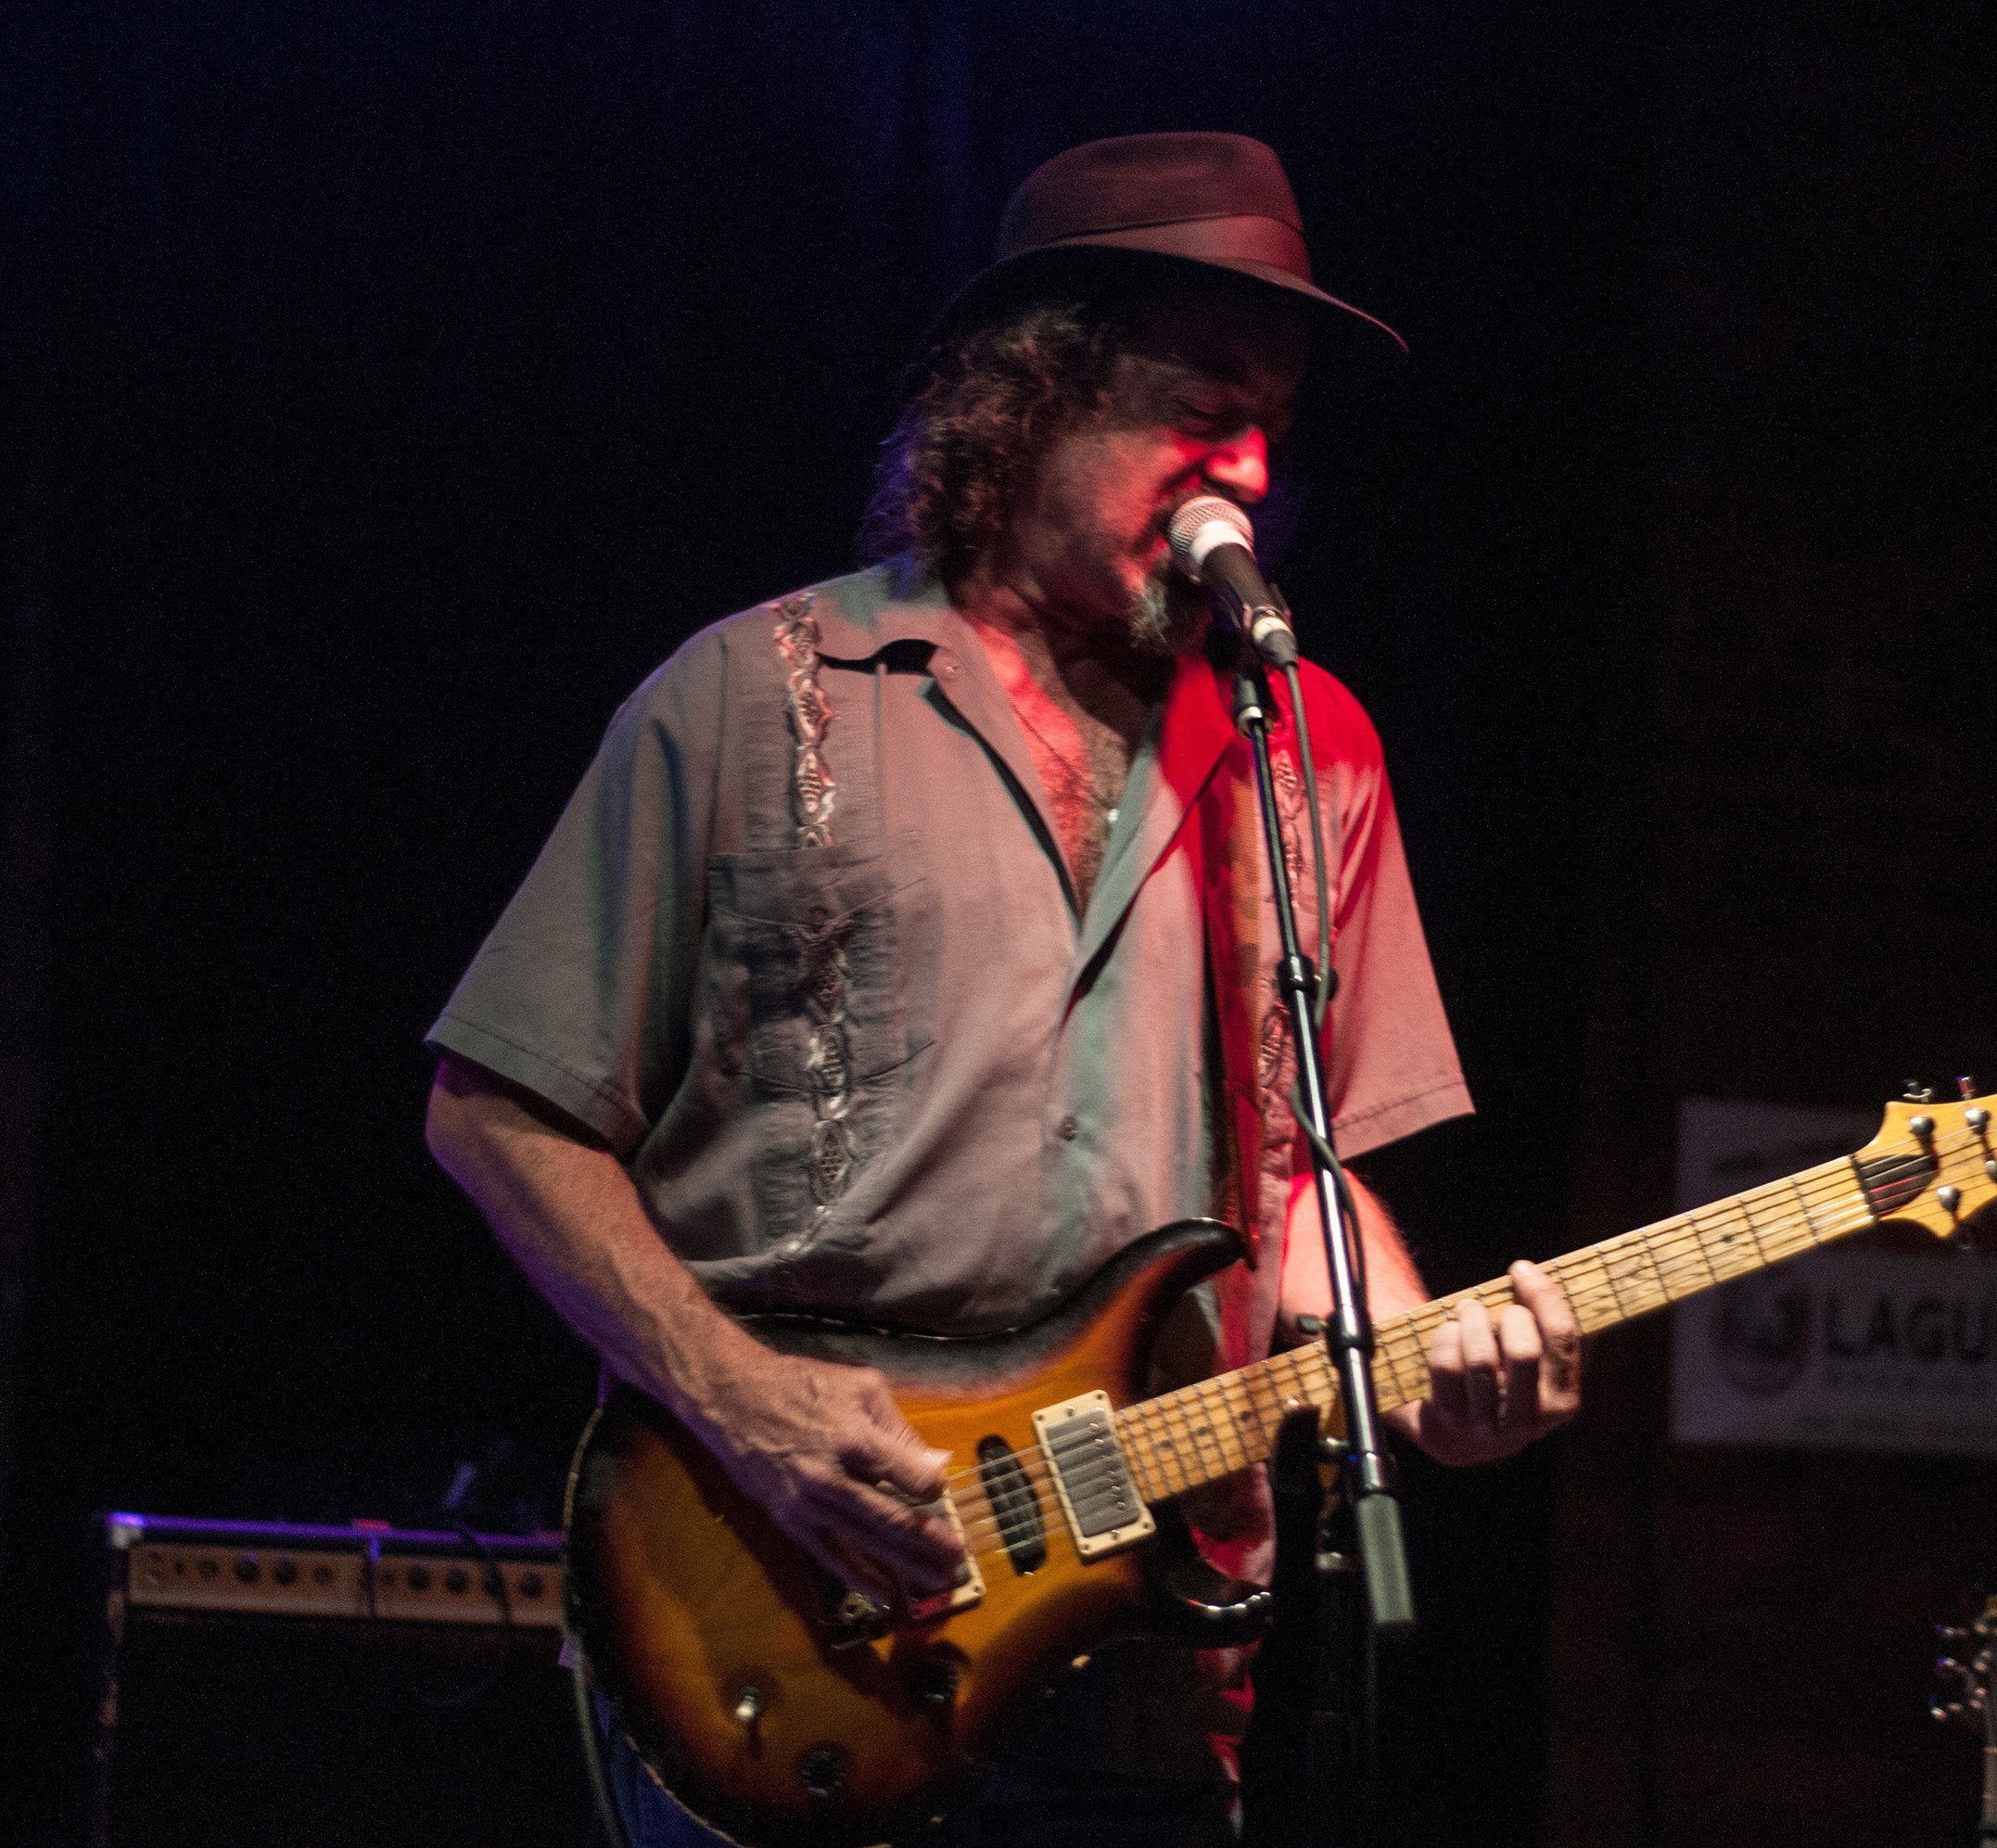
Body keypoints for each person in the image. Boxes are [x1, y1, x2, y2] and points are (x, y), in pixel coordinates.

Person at [422, 133, 1582, 1844]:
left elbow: (1300, 1164)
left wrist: (1426, 1357)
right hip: (784, 1602)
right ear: (1033, 395)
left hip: (1158, 1660)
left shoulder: (1307, 749)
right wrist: (743, 1402)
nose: (1251, 465)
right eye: (1204, 403)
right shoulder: (756, 699)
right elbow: (497, 1109)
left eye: (1274, 421)